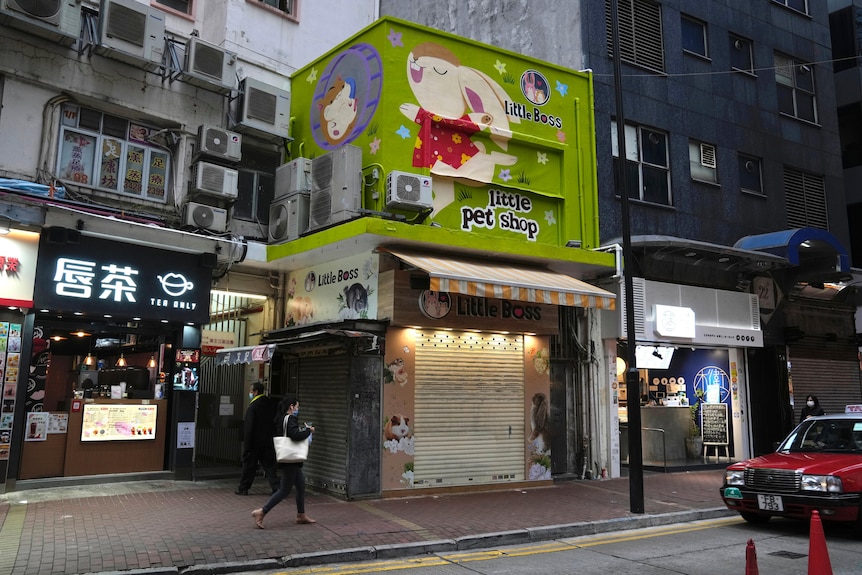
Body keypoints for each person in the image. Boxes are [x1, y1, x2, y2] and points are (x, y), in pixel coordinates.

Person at [252, 397, 316, 528]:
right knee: (284, 490)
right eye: (297, 407)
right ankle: (262, 511)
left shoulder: (281, 418)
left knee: (300, 486)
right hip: (290, 460)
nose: (298, 409)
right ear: (291, 407)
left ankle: (301, 515)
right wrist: (308, 431)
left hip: (291, 459)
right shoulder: (290, 418)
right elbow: (294, 435)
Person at [235, 382, 280, 496]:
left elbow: (249, 428)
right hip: (268, 441)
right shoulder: (271, 404)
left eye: (251, 391)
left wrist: (247, 445)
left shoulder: (253, 407)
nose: (250, 393)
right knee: (270, 466)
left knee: (249, 466)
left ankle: (243, 488)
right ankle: (277, 487)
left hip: (254, 443)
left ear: (255, 392)